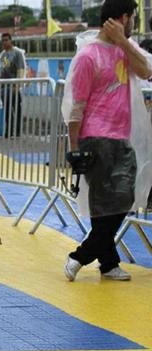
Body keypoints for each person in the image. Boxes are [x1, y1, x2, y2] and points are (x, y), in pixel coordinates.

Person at [62, 0, 152, 282]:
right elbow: (77, 105)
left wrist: (122, 42)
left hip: (120, 136)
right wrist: (74, 145)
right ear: (124, 17)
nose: (134, 22)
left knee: (125, 197)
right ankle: (108, 263)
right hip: (94, 137)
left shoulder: (126, 49)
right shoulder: (89, 56)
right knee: (103, 204)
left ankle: (82, 254)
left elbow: (147, 71)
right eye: (133, 17)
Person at [0, 33, 27, 138]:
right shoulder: (3, 55)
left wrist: (17, 85)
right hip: (4, 88)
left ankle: (17, 132)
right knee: (7, 110)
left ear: (11, 40)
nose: (4, 42)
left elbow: (21, 70)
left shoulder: (17, 53)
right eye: (3, 41)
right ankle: (8, 131)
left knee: (16, 109)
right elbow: (2, 70)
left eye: (6, 40)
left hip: (14, 87)